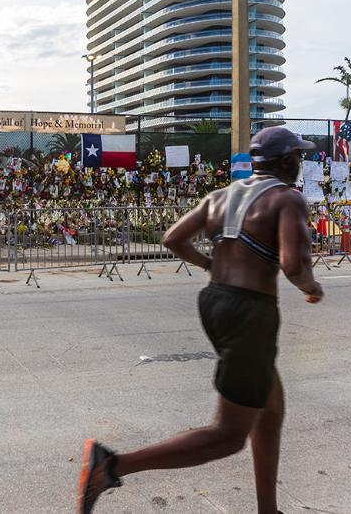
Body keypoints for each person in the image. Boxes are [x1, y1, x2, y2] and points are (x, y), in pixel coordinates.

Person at [76, 127, 325, 514]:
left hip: (215, 302)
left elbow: (173, 239)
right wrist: (313, 286)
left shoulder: (220, 197)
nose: (301, 162)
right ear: (286, 160)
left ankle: (268, 509)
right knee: (228, 435)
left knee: (270, 408)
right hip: (250, 313)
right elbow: (293, 265)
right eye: (299, 155)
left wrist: (211, 264)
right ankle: (112, 465)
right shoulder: (286, 200)